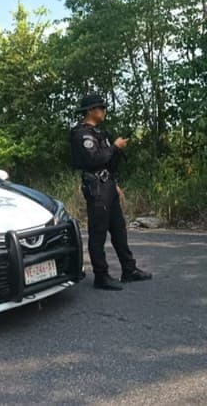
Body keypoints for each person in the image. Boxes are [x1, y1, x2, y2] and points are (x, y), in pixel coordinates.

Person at [69, 94, 152, 290]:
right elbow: (93, 160)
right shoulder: (82, 135)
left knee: (119, 229)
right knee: (98, 232)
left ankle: (129, 269)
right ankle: (101, 275)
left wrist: (115, 182)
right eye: (100, 108)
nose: (104, 111)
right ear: (91, 111)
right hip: (96, 187)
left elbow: (107, 162)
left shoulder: (100, 133)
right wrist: (114, 147)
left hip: (108, 185)